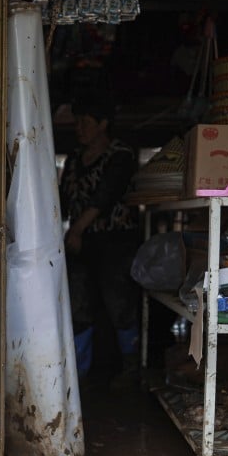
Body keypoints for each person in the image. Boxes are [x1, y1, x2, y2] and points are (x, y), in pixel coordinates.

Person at [59, 93, 141, 381]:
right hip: (81, 244)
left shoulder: (120, 155)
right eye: (77, 122)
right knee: (78, 303)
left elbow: (105, 196)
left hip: (116, 241)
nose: (79, 128)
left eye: (86, 122)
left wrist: (77, 229)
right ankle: (79, 375)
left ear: (103, 124)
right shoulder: (73, 160)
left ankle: (132, 370)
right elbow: (63, 200)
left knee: (120, 303)